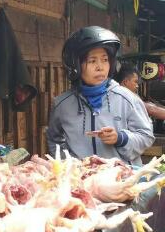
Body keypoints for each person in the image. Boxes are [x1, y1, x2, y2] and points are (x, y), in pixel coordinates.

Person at [46, 26, 154, 165]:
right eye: (92, 61)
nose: (100, 67)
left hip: (122, 180)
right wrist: (67, 164)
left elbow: (146, 136)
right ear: (75, 65)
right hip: (82, 183)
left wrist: (121, 138)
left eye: (104, 60)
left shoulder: (127, 99)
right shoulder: (62, 104)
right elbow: (54, 139)